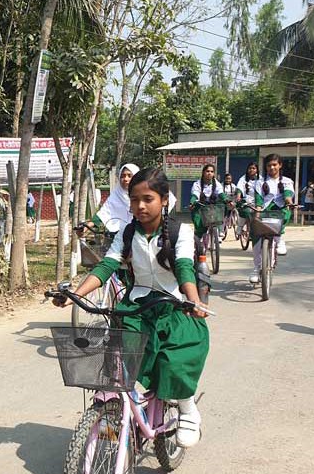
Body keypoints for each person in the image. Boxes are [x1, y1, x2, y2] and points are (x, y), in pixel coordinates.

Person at [56, 168, 209, 448]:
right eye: (134, 199)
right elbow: (106, 266)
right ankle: (116, 415)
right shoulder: (127, 233)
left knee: (174, 358)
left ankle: (187, 409)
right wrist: (74, 295)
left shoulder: (180, 231)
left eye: (147, 199)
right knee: (117, 355)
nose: (140, 206)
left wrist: (194, 300)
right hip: (137, 305)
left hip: (173, 305)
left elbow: (185, 268)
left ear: (164, 200)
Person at [249, 152, 295, 283]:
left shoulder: (286, 181)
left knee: (285, 212)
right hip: (264, 210)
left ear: (280, 165)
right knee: (256, 240)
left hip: (279, 210)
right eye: (269, 165)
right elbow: (258, 198)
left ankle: (280, 239)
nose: (272, 168)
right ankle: (257, 268)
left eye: (275, 165)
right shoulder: (260, 182)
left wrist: (288, 201)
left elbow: (288, 194)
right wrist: (257, 210)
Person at [189, 164, 228, 239]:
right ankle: (198, 242)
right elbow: (195, 194)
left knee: (222, 208)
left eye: (212, 171)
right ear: (203, 172)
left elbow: (220, 193)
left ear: (214, 174)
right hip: (200, 207)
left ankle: (219, 232)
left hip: (212, 207)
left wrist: (226, 200)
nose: (209, 173)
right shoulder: (197, 184)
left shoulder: (217, 184)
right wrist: (192, 202)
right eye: (207, 171)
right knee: (200, 228)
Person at [235, 162, 260, 238]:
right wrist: (238, 196)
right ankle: (240, 227)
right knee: (244, 212)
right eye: (250, 168)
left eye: (254, 168)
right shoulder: (243, 179)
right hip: (246, 200)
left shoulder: (260, 179)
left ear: (257, 170)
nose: (251, 170)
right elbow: (239, 188)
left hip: (257, 201)